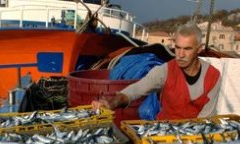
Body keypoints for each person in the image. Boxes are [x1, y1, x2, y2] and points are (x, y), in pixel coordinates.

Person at [92, 22, 221, 120]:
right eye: (177, 48)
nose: (180, 54)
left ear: (199, 49)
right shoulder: (165, 71)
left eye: (187, 49)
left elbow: (205, 119)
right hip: (164, 130)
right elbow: (137, 89)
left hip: (194, 134)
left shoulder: (213, 77)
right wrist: (112, 102)